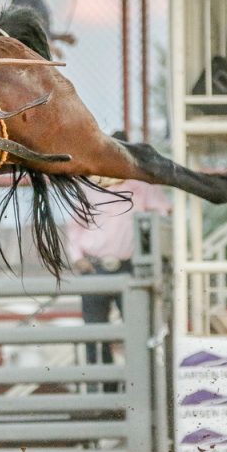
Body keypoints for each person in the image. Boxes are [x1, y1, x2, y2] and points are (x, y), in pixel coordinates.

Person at [65, 135, 170, 386]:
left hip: (129, 266)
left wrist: (150, 240)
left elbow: (163, 212)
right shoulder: (89, 185)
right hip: (94, 266)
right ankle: (103, 389)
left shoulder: (140, 185)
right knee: (95, 332)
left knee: (136, 329)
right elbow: (74, 227)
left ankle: (139, 385)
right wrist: (77, 257)